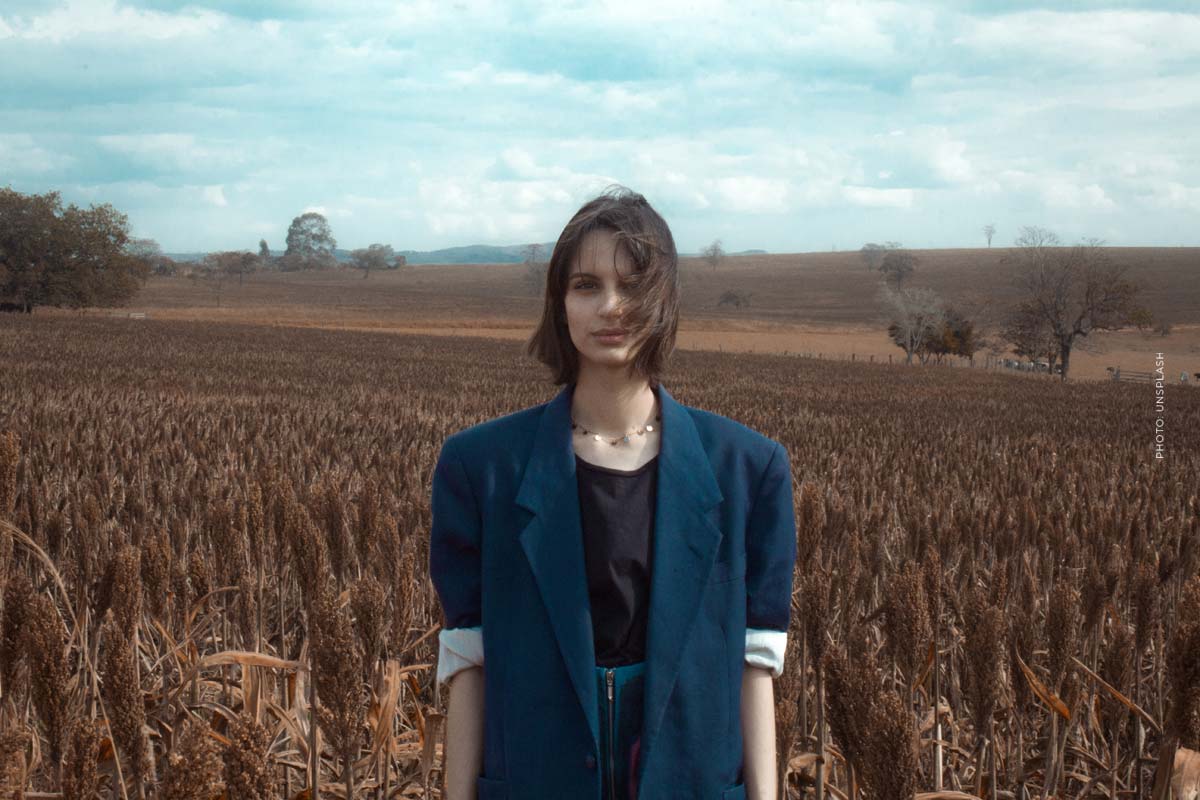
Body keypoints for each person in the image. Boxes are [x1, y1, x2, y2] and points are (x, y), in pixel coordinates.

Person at [429, 185, 797, 800]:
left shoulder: (748, 471)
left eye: (633, 285)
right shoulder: (480, 469)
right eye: (586, 285)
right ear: (560, 303)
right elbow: (469, 663)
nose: (611, 307)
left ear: (665, 302)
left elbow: (754, 668)